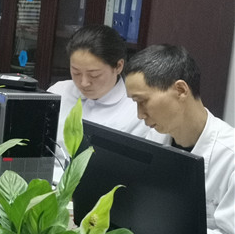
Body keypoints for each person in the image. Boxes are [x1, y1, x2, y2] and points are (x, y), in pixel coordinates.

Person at [124, 44, 235, 234]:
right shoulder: (155, 138)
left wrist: (168, 231)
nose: (140, 114)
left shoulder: (230, 155)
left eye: (143, 101)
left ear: (181, 90)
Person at [48, 25, 167, 161]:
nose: (84, 82)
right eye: (76, 72)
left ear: (118, 66)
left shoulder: (138, 111)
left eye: (94, 75)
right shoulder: (58, 92)